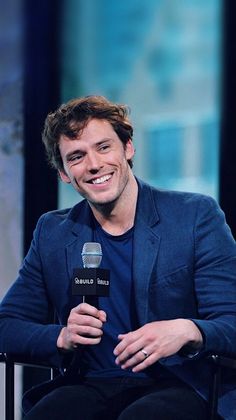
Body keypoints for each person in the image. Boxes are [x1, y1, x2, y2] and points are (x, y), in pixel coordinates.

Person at [0, 95, 235, 420]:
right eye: (77, 156)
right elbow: (6, 325)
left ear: (128, 148)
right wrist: (61, 336)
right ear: (64, 174)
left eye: (104, 147)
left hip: (178, 383)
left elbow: (231, 320)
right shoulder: (53, 232)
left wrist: (186, 330)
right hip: (90, 384)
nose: (94, 164)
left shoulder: (194, 215)